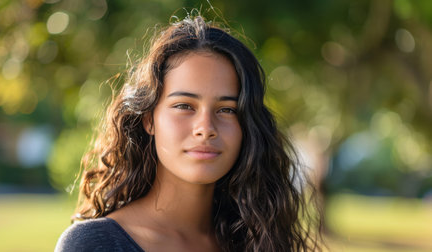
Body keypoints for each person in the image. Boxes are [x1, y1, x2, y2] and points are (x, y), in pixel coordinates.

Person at [55, 15, 322, 252]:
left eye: (227, 110)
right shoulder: (93, 244)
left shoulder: (259, 239)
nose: (205, 128)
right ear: (149, 119)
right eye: (184, 106)